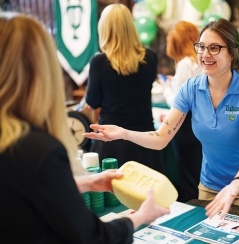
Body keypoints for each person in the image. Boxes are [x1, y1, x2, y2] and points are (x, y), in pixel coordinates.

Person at [0, 12, 170, 243]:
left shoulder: (22, 144)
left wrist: (85, 182)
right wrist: (141, 217)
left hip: (111, 141)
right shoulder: (40, 151)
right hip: (142, 140)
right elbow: (92, 237)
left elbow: (26, 189)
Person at [83, 18, 239, 219]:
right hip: (209, 186)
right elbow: (161, 137)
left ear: (232, 53)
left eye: (214, 48)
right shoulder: (191, 88)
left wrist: (234, 186)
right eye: (201, 47)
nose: (205, 54)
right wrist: (124, 133)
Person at [85, 3, 164, 172]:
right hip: (144, 141)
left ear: (104, 29)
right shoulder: (150, 58)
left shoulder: (99, 62)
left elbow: (93, 101)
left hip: (110, 143)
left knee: (110, 197)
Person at [158, 20, 202, 202]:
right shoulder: (201, 61)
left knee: (188, 178)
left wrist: (166, 87)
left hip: (185, 127)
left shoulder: (185, 63)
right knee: (197, 175)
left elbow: (177, 102)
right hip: (200, 124)